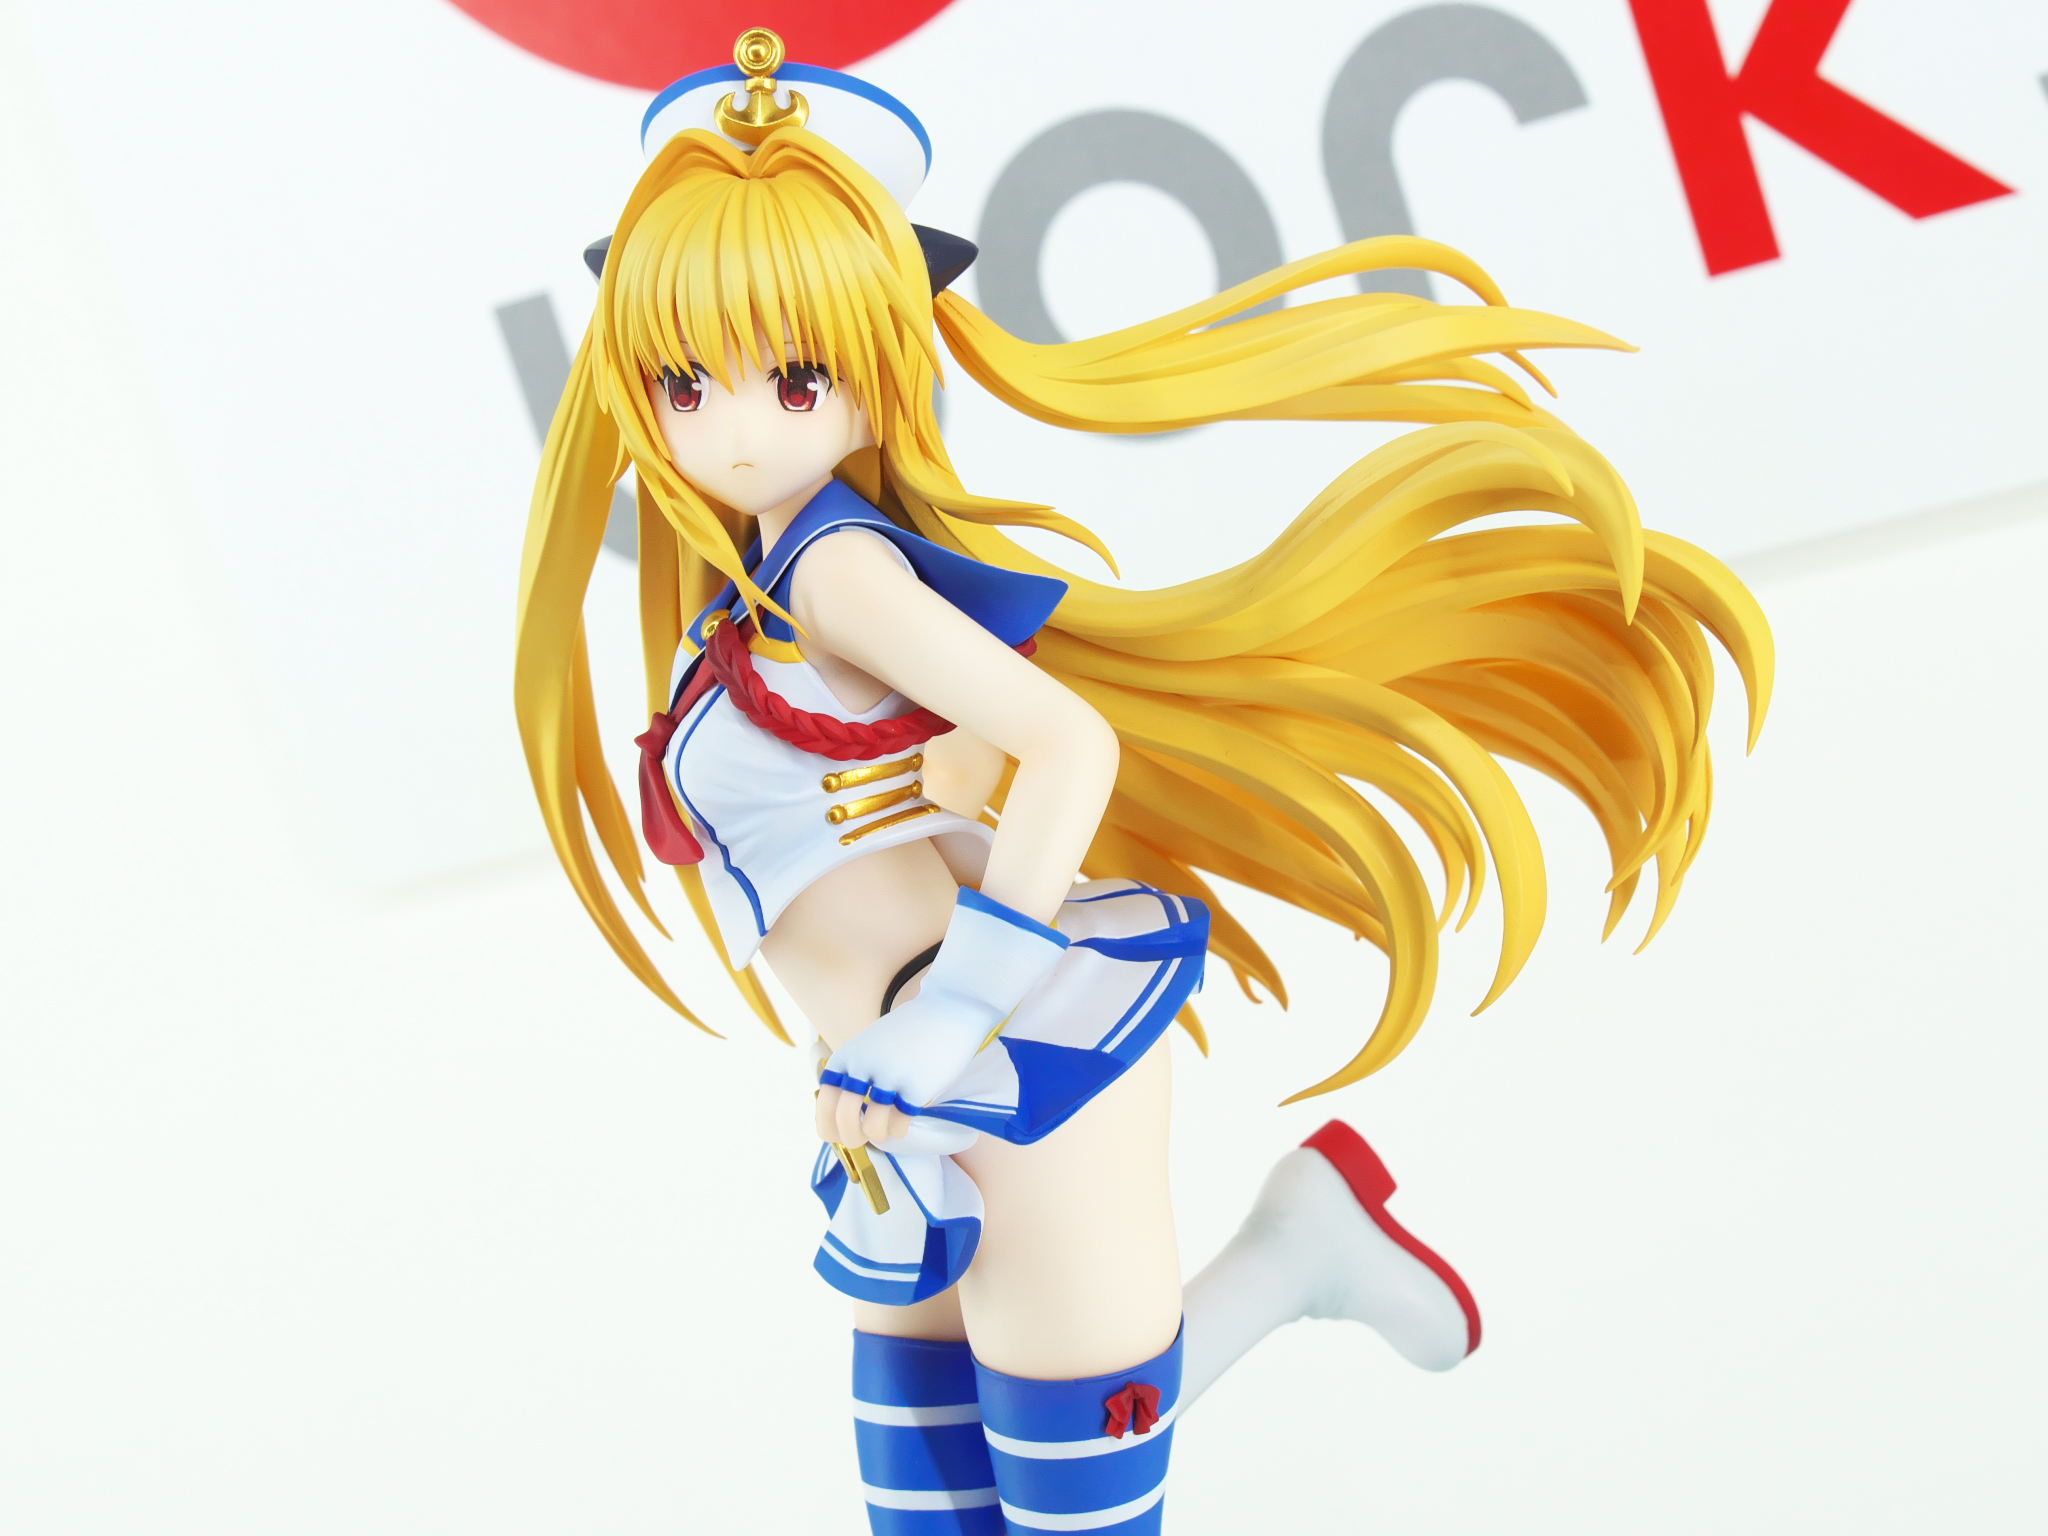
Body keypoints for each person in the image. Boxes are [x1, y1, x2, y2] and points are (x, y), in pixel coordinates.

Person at [512, 29, 1772, 1535]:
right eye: (684, 380)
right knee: (948, 1511)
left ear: (879, 365)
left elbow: (1071, 744)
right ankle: (1299, 1250)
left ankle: (1301, 1255)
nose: (732, 427)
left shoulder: (840, 571)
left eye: (794, 377)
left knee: (1074, 1500)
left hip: (999, 1061)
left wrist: (953, 1013)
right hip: (893, 1103)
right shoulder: (765, 583)